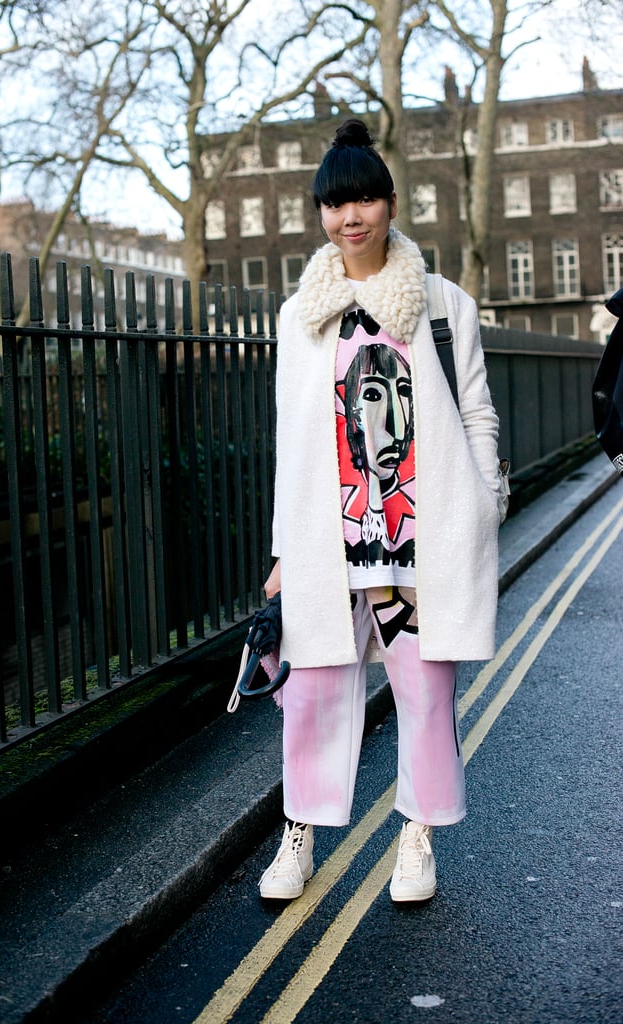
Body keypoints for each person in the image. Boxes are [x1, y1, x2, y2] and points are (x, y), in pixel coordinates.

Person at [258, 118, 506, 903]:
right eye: (336, 204)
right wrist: (283, 551)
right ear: (322, 214)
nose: (351, 217)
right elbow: (289, 443)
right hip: (333, 543)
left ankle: (417, 839)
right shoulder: (301, 317)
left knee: (425, 696)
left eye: (365, 199)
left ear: (391, 204)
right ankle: (297, 835)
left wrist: (487, 503)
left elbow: (476, 412)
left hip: (418, 541)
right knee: (312, 695)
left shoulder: (440, 302)